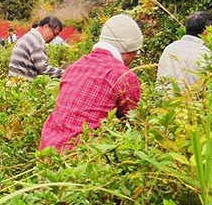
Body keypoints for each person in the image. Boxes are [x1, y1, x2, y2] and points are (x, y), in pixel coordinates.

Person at [39, 14, 143, 152]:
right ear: (131, 51)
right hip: (81, 160)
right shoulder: (124, 76)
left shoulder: (75, 66)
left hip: (47, 155)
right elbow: (134, 122)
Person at [157, 11, 212, 92]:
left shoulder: (170, 48)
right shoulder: (207, 55)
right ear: (205, 32)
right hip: (192, 103)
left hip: (163, 101)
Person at [8, 16, 65, 80]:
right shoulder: (35, 41)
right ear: (46, 27)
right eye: (54, 34)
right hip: (22, 84)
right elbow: (43, 69)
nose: (54, 38)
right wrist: (65, 73)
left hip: (15, 81)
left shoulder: (30, 36)